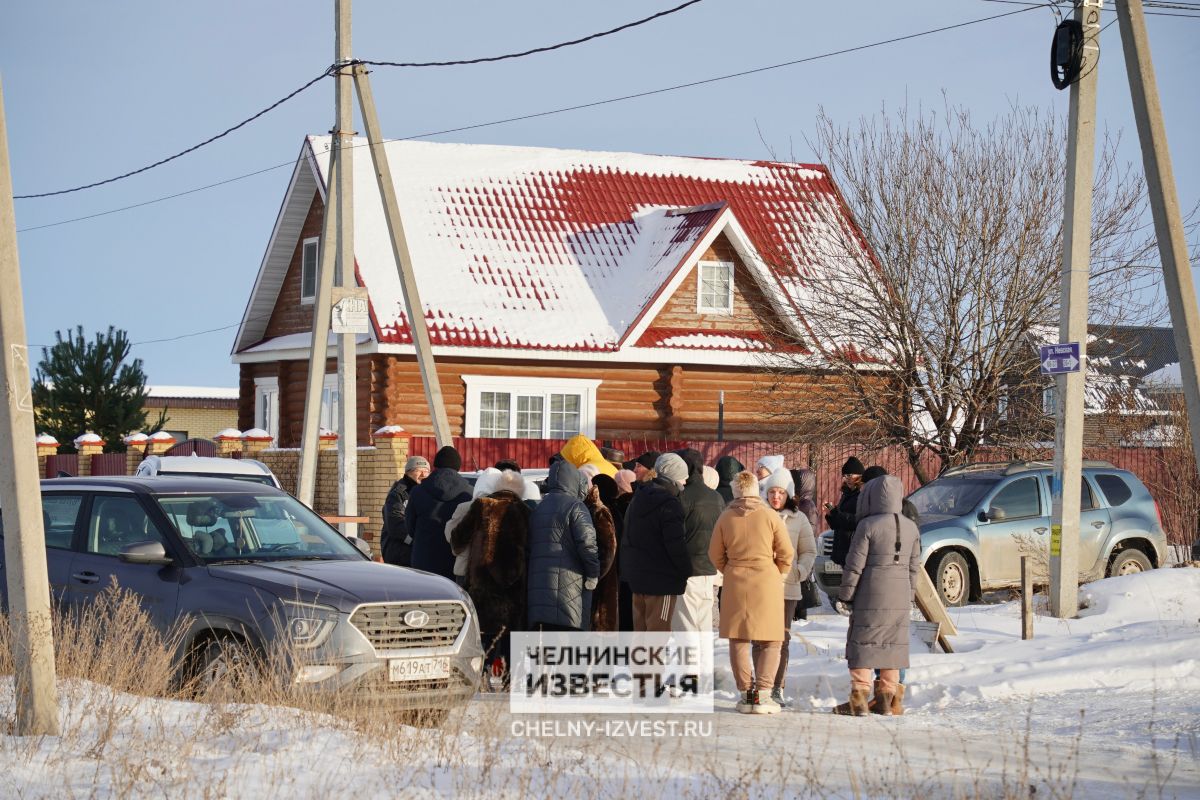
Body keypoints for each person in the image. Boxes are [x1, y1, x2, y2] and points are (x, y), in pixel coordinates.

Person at [832, 474, 921, 717]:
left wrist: (845, 595)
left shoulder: (867, 525)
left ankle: (858, 700)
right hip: (900, 593)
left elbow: (855, 565)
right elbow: (914, 567)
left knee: (863, 642)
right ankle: (885, 700)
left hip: (870, 592)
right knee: (891, 645)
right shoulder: (911, 526)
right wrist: (909, 596)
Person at [709, 471, 794, 714]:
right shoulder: (770, 515)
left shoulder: (725, 517)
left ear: (736, 491)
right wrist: (777, 572)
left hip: (735, 580)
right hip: (766, 578)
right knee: (771, 639)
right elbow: (786, 552)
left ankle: (746, 694)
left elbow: (715, 553)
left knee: (739, 638)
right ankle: (764, 694)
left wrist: (731, 569)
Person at [449, 470, 531, 678]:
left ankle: (483, 674)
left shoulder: (481, 506)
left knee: (483, 637)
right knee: (507, 641)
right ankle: (502, 676)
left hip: (480, 586)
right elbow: (524, 552)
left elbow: (457, 541)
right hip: (511, 591)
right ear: (520, 491)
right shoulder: (524, 512)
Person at [760, 468, 816, 707]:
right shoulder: (759, 515)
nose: (776, 497)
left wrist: (799, 572)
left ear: (789, 494)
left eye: (780, 492)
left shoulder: (798, 518)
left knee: (781, 639)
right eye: (772, 491)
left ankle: (776, 687)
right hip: (761, 587)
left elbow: (809, 551)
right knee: (760, 638)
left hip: (787, 587)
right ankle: (760, 685)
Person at [526, 460, 600, 632]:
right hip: (570, 591)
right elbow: (588, 545)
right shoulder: (576, 507)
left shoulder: (538, 508)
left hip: (538, 591)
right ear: (574, 481)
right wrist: (592, 574)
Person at [621, 453, 691, 632]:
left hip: (639, 579)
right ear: (674, 478)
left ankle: (640, 662)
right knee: (658, 634)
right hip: (662, 581)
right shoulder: (670, 503)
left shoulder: (639, 497)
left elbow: (628, 537)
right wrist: (685, 570)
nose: (686, 480)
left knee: (641, 632)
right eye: (683, 476)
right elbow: (675, 544)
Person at [672, 449, 722, 637]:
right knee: (704, 625)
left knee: (686, 626)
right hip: (709, 569)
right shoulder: (716, 497)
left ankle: (690, 667)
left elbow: (675, 536)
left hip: (688, 571)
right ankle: (704, 665)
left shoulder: (682, 497)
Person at [407, 446, 472, 580]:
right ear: (458, 466)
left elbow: (410, 527)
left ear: (436, 464)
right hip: (455, 561)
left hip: (423, 560)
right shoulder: (469, 493)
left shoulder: (417, 491)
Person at [444, 468, 501, 583]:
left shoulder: (464, 507)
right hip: (494, 572)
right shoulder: (505, 509)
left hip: (464, 570)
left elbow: (449, 534)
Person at [583, 476, 619, 632]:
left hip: (601, 582)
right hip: (592, 580)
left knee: (601, 626)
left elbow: (609, 548)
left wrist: (594, 576)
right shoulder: (584, 507)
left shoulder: (599, 511)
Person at [380, 455, 429, 566]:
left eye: (426, 471)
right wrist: (416, 541)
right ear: (408, 472)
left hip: (416, 552)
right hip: (398, 552)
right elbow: (395, 524)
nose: (423, 475)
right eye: (418, 471)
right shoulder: (398, 494)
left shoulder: (427, 492)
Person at [791, 467, 822, 619]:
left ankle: (800, 620)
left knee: (800, 594)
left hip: (801, 555)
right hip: (797, 554)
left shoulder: (806, 506)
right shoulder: (801, 503)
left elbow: (807, 534)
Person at [825, 456, 865, 566]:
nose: (846, 478)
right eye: (845, 476)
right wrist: (831, 515)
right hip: (843, 547)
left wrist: (836, 513)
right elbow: (838, 523)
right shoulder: (846, 493)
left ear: (859, 475)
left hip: (853, 547)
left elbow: (858, 520)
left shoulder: (862, 493)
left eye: (849, 475)